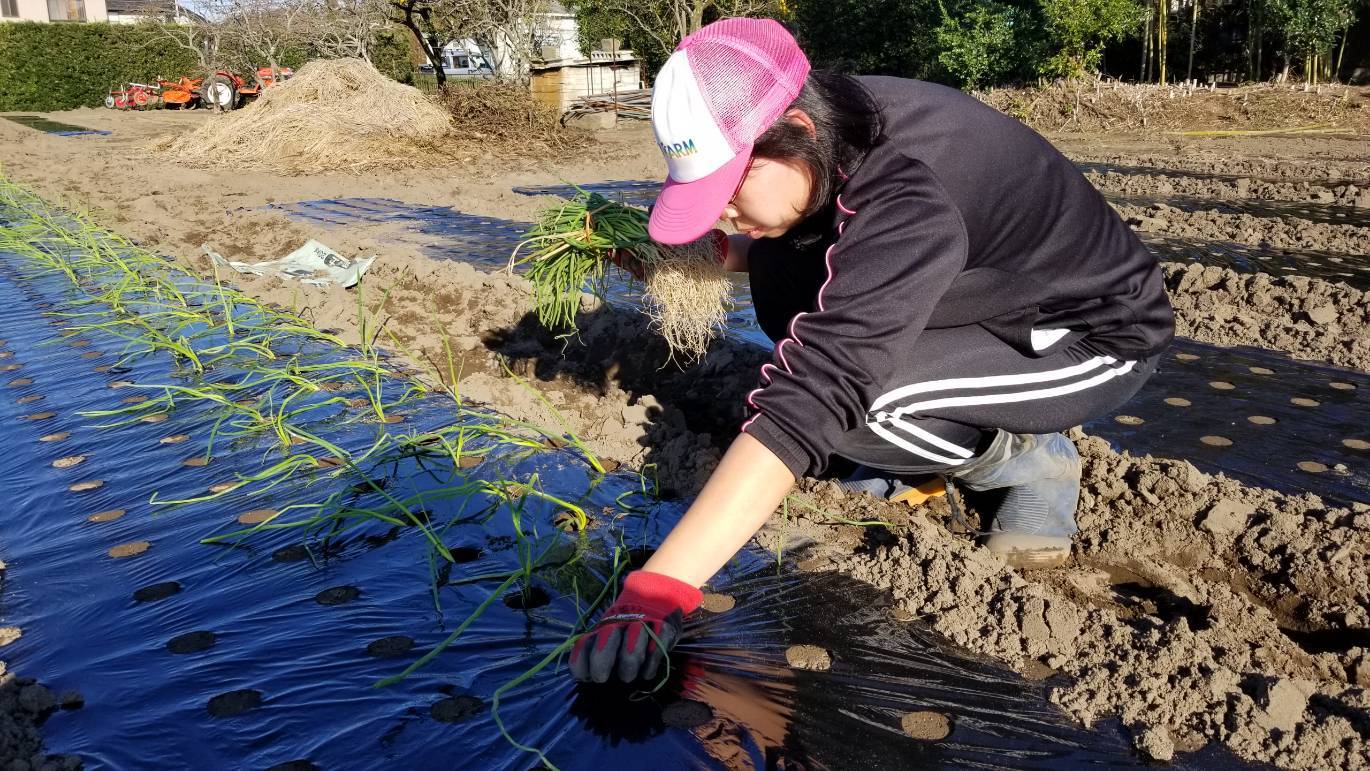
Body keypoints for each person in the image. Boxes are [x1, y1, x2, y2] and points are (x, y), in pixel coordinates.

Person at [568, 18, 1173, 684]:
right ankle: (947, 440)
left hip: (1091, 334)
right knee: (789, 281)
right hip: (991, 298)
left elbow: (815, 397)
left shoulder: (906, 189)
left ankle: (1029, 461)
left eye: (729, 191)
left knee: (858, 404)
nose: (723, 214)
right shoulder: (829, 128)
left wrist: (660, 588)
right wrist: (681, 258)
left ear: (795, 130)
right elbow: (803, 249)